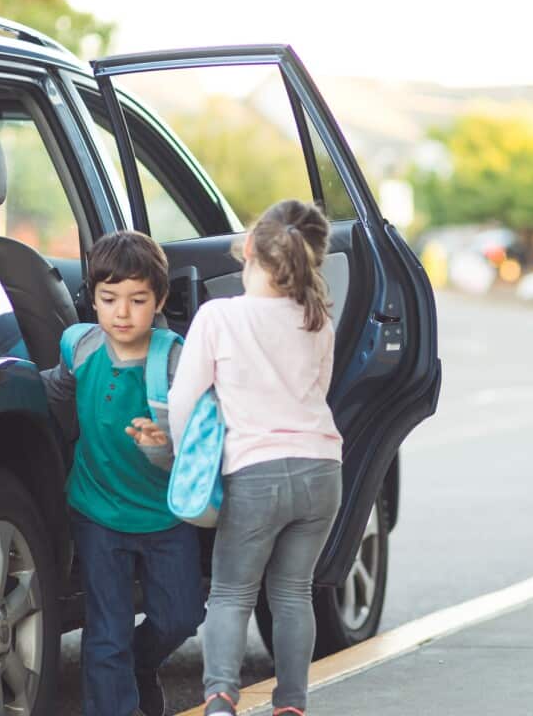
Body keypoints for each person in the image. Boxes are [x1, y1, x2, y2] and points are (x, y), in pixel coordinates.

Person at [167, 200, 343, 716]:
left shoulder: (219, 316)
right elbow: (319, 392)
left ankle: (221, 700)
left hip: (255, 474)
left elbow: (183, 398)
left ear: (248, 248)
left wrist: (182, 460)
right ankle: (291, 704)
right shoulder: (317, 320)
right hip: (321, 470)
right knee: (293, 593)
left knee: (230, 594)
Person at [42, 231, 203, 716]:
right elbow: (49, 394)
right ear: (92, 298)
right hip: (97, 513)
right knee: (105, 632)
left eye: (138, 300)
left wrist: (167, 440)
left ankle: (138, 661)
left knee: (181, 617)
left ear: (160, 301)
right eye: (109, 299)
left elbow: (204, 436)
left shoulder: (175, 360)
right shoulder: (80, 348)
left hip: (165, 515)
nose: (122, 312)